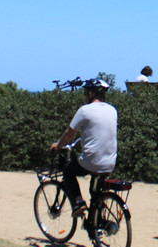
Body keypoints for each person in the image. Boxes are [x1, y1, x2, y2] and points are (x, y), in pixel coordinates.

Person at [50, 78, 117, 217]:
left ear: (91, 94)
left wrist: (58, 145)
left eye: (86, 92)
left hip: (91, 162)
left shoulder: (85, 110)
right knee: (96, 191)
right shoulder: (112, 110)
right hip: (110, 162)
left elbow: (69, 133)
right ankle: (98, 222)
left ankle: (78, 203)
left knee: (68, 171)